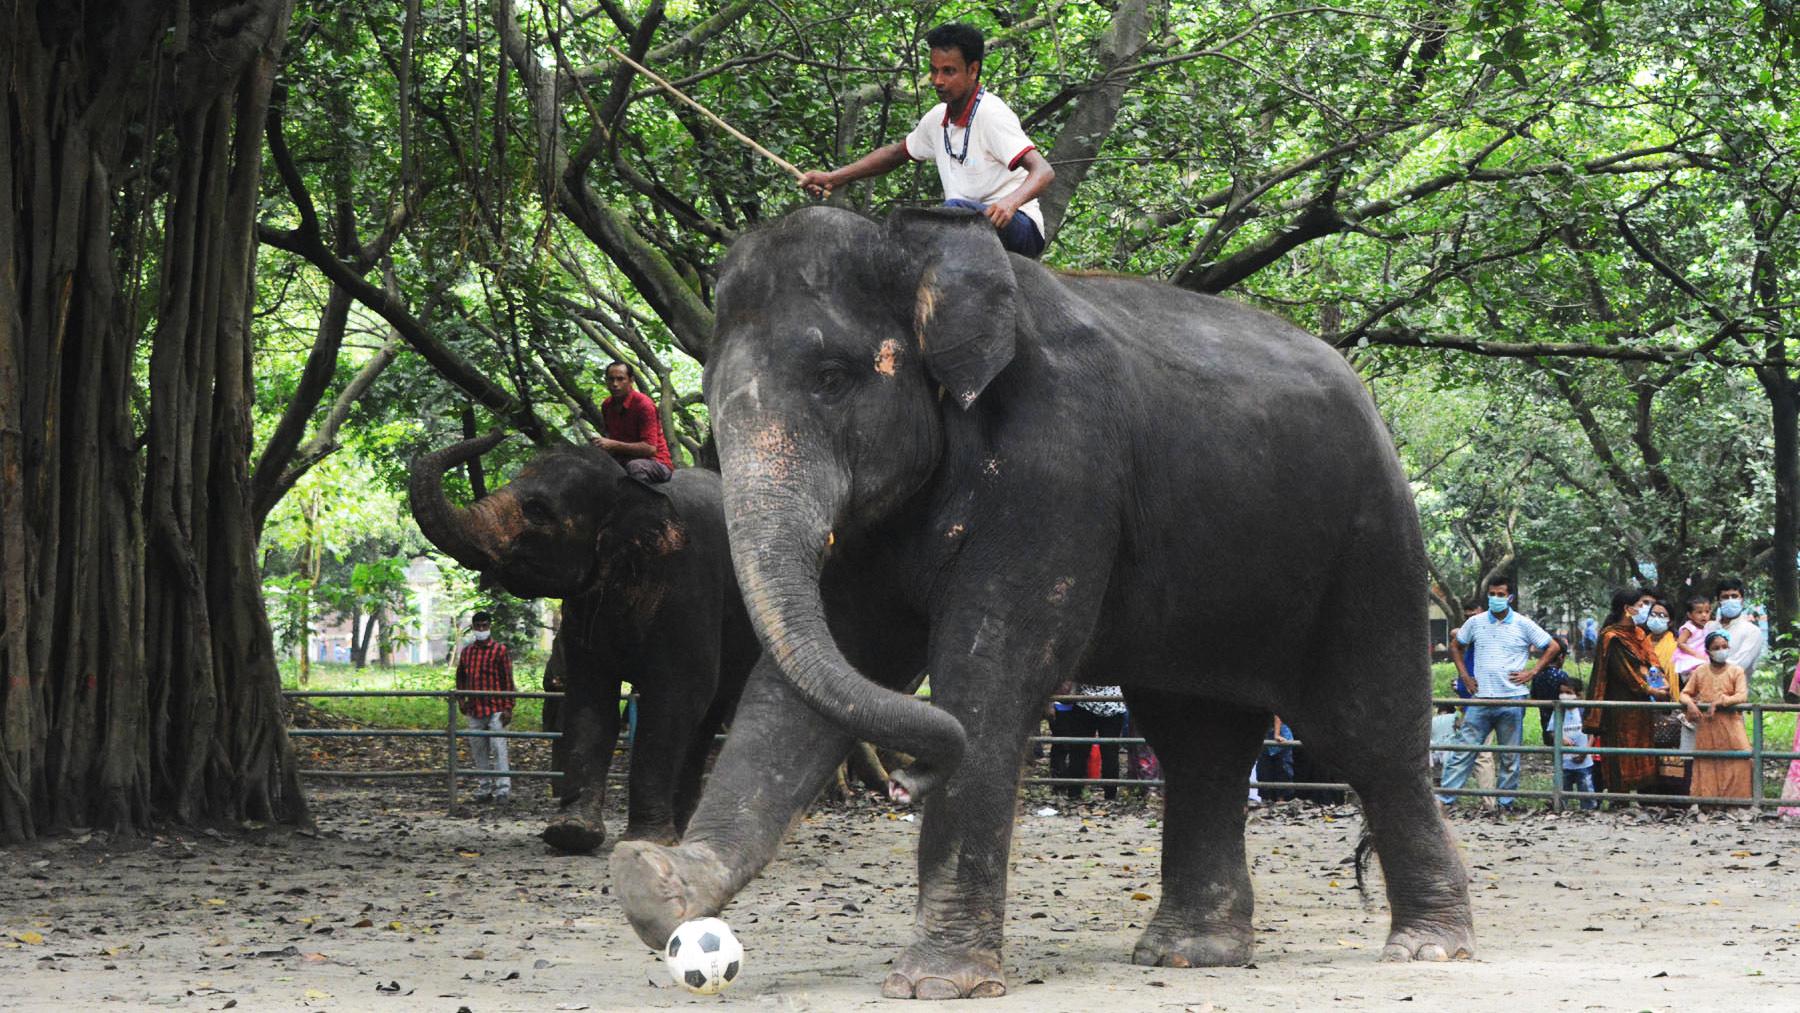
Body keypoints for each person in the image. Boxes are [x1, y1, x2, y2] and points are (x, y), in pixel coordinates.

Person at [796, 23, 1056, 258]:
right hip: (965, 224)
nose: (938, 81)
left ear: (973, 70)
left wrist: (1010, 203)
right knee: (919, 220)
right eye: (933, 71)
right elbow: (896, 154)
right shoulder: (937, 119)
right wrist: (833, 178)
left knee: (950, 212)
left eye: (949, 71)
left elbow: (1043, 171)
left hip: (1018, 227)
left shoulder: (991, 114)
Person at [1439, 575, 1561, 811]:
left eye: (1501, 595)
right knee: (1464, 750)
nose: (1496, 598)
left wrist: (1533, 671)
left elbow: (1553, 646)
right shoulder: (1475, 623)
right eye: (1492, 594)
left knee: (1509, 755)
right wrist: (1465, 675)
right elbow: (1456, 645)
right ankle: (1445, 800)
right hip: (1482, 697)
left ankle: (1505, 803)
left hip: (1513, 697)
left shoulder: (1523, 624)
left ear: (1510, 597)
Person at [1584, 587, 1665, 798]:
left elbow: (1652, 662)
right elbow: (1626, 673)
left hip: (1642, 707)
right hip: (1620, 706)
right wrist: (1650, 690)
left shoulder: (1640, 634)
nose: (1645, 610)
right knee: (1621, 751)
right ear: (1627, 609)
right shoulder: (1611, 637)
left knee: (1644, 748)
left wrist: (1660, 684)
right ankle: (1618, 798)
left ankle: (1644, 797)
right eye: (1641, 605)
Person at [1681, 630, 1752, 805]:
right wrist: (1690, 704)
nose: (1721, 650)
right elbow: (1685, 693)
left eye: (1724, 647)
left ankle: (1738, 802)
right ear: (1708, 651)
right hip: (1708, 726)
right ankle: (1707, 801)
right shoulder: (1700, 671)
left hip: (1731, 724)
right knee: (1707, 761)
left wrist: (1722, 701)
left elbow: (1742, 695)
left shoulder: (1736, 671)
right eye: (1716, 647)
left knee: (1741, 759)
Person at [455, 610, 515, 803]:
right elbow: (461, 677)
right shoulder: (467, 652)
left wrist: (508, 707)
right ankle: (484, 787)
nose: (481, 629)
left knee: (499, 748)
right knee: (478, 750)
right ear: (473, 628)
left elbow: (507, 680)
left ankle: (503, 789)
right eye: (478, 626)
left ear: (490, 626)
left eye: (484, 626)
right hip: (475, 708)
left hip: (496, 707)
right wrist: (462, 700)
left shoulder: (500, 650)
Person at [591, 360, 674, 483]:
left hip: (655, 462)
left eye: (620, 379)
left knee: (635, 467)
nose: (615, 384)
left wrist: (613, 444)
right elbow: (610, 436)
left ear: (631, 380)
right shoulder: (607, 405)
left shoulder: (644, 405)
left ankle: (643, 502)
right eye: (611, 379)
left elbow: (650, 448)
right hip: (623, 459)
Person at [1707, 579, 1766, 686]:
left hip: (1734, 696)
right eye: (1725, 597)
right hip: (1702, 695)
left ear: (1742, 600)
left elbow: (1738, 665)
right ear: (1718, 601)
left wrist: (1703, 674)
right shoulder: (1709, 627)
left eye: (1734, 596)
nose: (1730, 600)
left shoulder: (1752, 632)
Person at [1554, 677, 1599, 810]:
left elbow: (1592, 734)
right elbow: (1552, 731)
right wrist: (1560, 739)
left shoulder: (1584, 711)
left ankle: (1588, 810)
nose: (1564, 696)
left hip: (1584, 761)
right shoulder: (1558, 711)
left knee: (1586, 788)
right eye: (1562, 693)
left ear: (1579, 695)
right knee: (1563, 787)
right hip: (1564, 760)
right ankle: (1560, 808)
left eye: (1568, 693)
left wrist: (1586, 751)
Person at [1674, 595, 1712, 677]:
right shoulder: (1689, 628)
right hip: (1689, 656)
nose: (1704, 615)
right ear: (1690, 615)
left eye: (1707, 612)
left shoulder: (1707, 627)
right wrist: (1695, 654)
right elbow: (1680, 643)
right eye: (1699, 612)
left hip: (1702, 656)